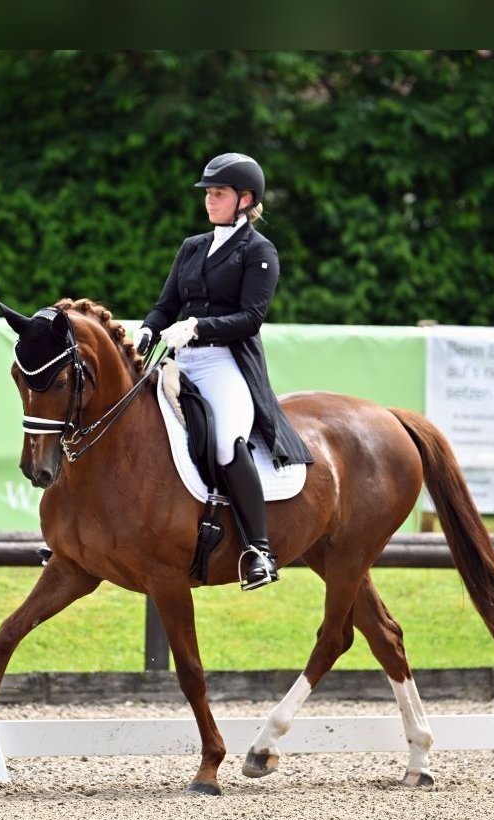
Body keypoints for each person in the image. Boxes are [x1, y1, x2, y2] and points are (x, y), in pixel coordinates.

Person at [133, 152, 313, 591]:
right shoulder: (192, 246)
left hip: (225, 362)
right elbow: (165, 305)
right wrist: (145, 330)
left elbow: (252, 317)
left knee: (227, 445)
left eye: (219, 194)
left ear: (245, 199)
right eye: (209, 194)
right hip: (179, 359)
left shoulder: (259, 251)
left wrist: (198, 326)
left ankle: (259, 550)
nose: (210, 201)